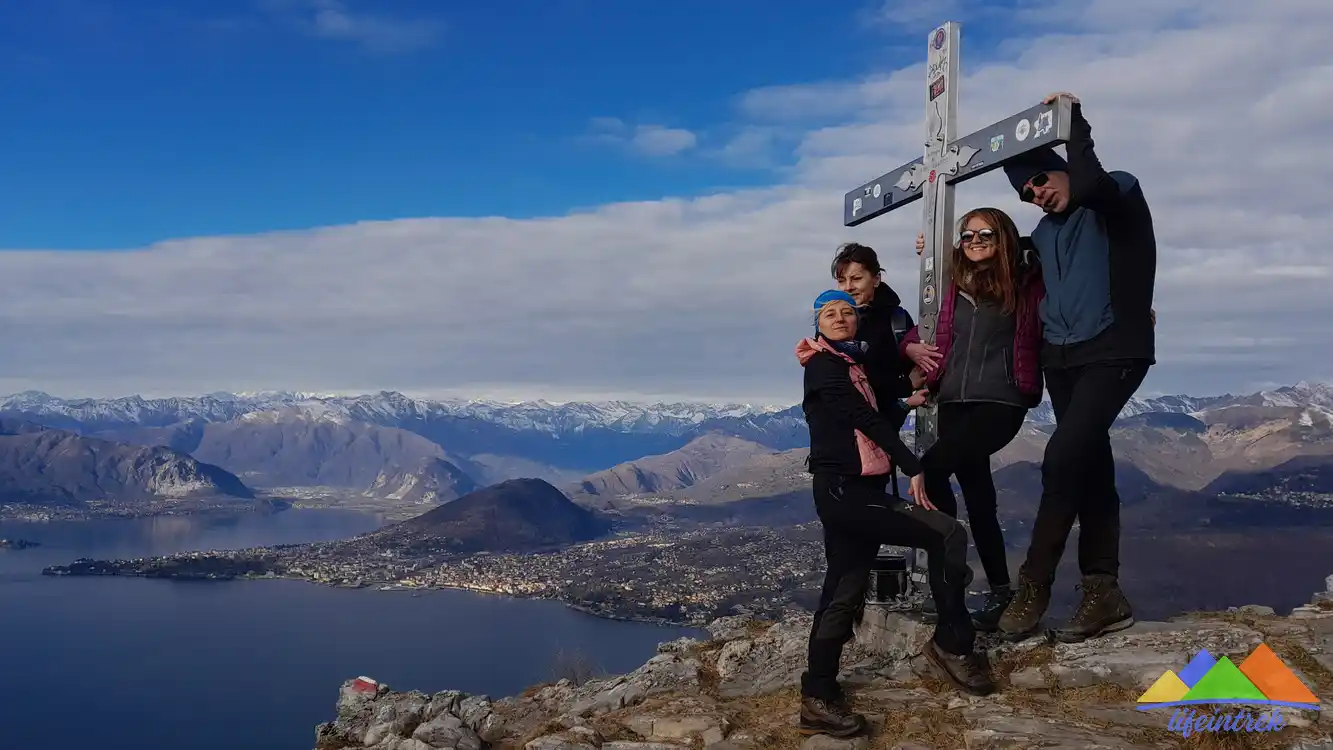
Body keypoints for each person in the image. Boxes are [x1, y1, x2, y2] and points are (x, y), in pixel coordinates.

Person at [994, 91, 1156, 644]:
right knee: (1091, 468)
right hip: (1061, 361)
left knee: (1062, 458)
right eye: (1027, 192)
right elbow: (994, 266)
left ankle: (1033, 584)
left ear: (1060, 167)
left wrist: (1072, 124)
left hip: (1114, 350)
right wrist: (939, 243)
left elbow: (1092, 183)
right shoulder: (1041, 235)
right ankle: (1103, 590)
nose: (1036, 195)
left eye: (1040, 181)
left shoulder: (1119, 196)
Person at [795, 289, 994, 739]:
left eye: (848, 312)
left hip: (847, 491)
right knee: (947, 535)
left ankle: (818, 695)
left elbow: (881, 402)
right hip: (847, 492)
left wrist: (911, 393)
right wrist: (912, 464)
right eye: (830, 313)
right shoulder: (825, 366)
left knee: (844, 587)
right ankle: (952, 644)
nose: (842, 318)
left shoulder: (852, 365)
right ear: (817, 325)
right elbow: (859, 416)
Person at [899, 207, 1045, 632]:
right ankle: (1000, 590)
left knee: (932, 468)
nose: (975, 240)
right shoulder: (952, 286)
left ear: (1004, 239)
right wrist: (910, 347)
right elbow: (929, 329)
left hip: (1002, 400)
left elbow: (1068, 276)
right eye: (967, 235)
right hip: (954, 400)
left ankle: (952, 571)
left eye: (986, 234)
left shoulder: (1025, 283)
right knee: (980, 500)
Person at [831, 243, 919, 429]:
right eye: (841, 280)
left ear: (876, 279)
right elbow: (837, 382)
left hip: (883, 428)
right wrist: (904, 386)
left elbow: (917, 374)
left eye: (856, 278)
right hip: (840, 435)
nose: (848, 287)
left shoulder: (897, 321)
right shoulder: (831, 324)